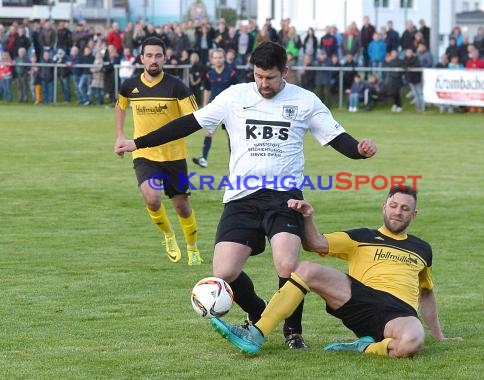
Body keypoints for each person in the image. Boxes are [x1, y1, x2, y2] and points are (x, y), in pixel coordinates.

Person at [114, 41, 377, 349]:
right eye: (258, 76)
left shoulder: (305, 101)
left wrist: (359, 151)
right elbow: (188, 124)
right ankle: (259, 311)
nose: (263, 84)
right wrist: (137, 142)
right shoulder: (235, 96)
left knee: (286, 264)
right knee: (223, 271)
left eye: (270, 78)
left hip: (284, 196)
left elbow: (337, 138)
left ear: (285, 72)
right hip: (241, 196)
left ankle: (293, 333)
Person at [209, 185, 462, 357]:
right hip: (359, 298)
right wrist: (307, 216)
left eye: (405, 208)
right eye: (393, 205)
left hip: (399, 312)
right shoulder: (362, 236)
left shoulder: (422, 249)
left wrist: (439, 336)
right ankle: (256, 333)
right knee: (306, 269)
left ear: (414, 215)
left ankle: (364, 348)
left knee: (412, 342)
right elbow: (315, 243)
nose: (398, 211)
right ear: (384, 207)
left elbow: (426, 294)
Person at [114, 37, 203, 266]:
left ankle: (192, 247)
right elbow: (120, 105)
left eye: (158, 56)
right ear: (142, 58)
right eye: (149, 56)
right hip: (144, 155)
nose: (154, 60)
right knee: (152, 199)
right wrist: (120, 136)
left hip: (174, 156)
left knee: (182, 206)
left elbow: (195, 118)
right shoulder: (130, 86)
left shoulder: (176, 86)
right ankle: (169, 236)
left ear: (165, 57)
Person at [191, 48, 238, 168]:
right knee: (208, 132)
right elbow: (207, 90)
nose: (218, 60)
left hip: (229, 109)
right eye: (215, 57)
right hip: (214, 108)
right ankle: (204, 159)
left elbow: (237, 91)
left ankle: (235, 162)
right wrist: (205, 105)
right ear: (212, 59)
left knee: (230, 135)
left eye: (220, 57)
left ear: (224, 58)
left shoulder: (231, 73)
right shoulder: (209, 74)